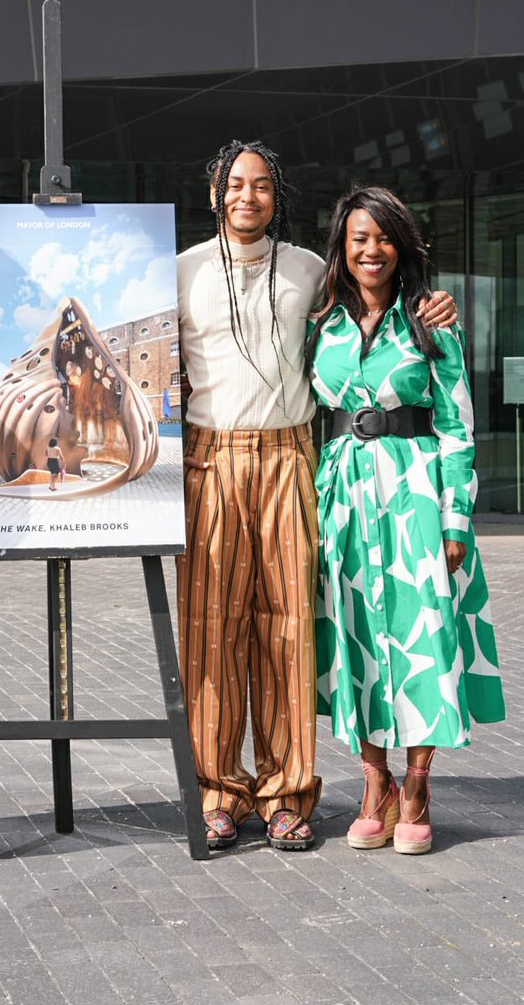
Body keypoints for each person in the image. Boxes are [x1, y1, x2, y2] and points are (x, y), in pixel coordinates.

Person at [176, 140, 456, 852]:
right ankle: (217, 791)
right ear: (214, 191)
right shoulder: (176, 273)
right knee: (210, 636)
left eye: (262, 185)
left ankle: (286, 795)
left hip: (292, 458)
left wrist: (432, 299)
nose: (247, 197)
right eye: (235, 184)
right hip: (207, 461)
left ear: (277, 196)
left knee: (290, 631)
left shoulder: (309, 273)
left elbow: (383, 300)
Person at [306, 186, 505, 854]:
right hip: (343, 493)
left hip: (416, 489)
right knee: (354, 633)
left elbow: (456, 425)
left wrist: (454, 520)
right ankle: (373, 783)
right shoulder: (320, 322)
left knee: (422, 636)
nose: (371, 250)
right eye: (359, 237)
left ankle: (416, 786)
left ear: (401, 246)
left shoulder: (430, 320)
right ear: (342, 246)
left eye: (383, 237)